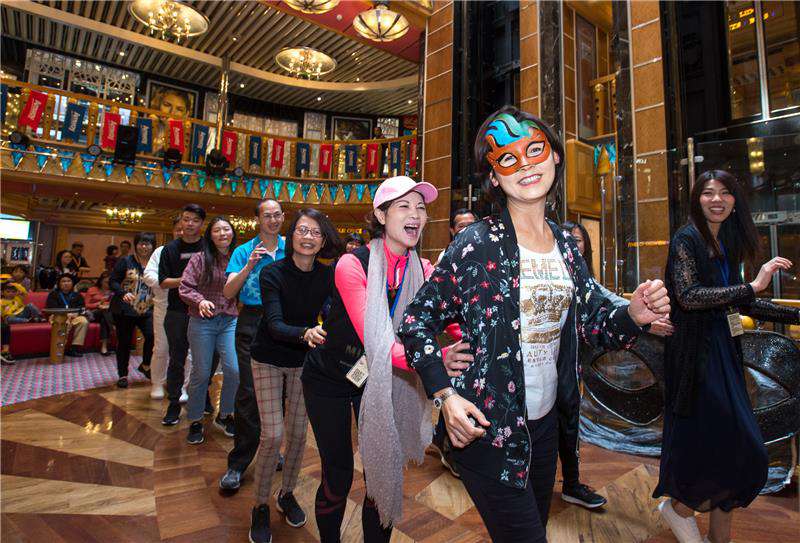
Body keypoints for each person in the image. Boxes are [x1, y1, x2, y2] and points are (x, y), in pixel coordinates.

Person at [398, 107, 671, 543]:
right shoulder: (476, 244)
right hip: (488, 429)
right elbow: (415, 320)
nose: (525, 165)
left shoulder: (566, 245)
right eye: (507, 158)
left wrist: (633, 314)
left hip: (545, 429)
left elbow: (591, 323)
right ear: (493, 177)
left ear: (555, 156)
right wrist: (444, 394)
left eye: (534, 150)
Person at [301, 175, 459, 543]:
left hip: (380, 379)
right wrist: (436, 359)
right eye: (404, 206)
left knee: (383, 472)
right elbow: (379, 343)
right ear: (381, 215)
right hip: (330, 378)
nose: (415, 214)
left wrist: (472, 341)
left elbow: (450, 317)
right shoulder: (351, 264)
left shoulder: (424, 270)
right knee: (338, 473)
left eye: (420, 207)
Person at [653, 170, 800, 543]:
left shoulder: (727, 243)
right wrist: (753, 284)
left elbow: (742, 301)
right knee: (726, 447)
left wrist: (795, 314)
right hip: (697, 359)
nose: (716, 199)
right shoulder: (687, 239)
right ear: (696, 199)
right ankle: (679, 509)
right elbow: (689, 296)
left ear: (735, 201)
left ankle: (720, 538)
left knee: (735, 451)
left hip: (725, 353)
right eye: (708, 192)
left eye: (725, 193)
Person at [247, 208, 340, 543]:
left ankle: (286, 494)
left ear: (323, 241)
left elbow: (334, 313)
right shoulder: (272, 272)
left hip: (304, 361)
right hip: (268, 358)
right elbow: (274, 324)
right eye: (302, 230)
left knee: (299, 435)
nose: (308, 237)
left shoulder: (327, 275)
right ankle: (259, 505)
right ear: (292, 235)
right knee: (272, 436)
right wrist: (306, 333)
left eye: (316, 232)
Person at [219, 199, 286, 491]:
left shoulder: (292, 248)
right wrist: (249, 266)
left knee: (279, 391)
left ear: (283, 217)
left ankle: (271, 449)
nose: (273, 220)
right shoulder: (243, 251)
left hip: (283, 323)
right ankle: (238, 463)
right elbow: (228, 292)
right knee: (248, 391)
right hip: (251, 321)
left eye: (277, 215)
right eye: (267, 216)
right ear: (258, 219)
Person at [179, 217, 239, 442]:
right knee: (202, 372)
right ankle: (195, 420)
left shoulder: (238, 257)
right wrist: (200, 300)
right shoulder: (200, 258)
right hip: (202, 321)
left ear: (233, 233)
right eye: (217, 230)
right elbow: (185, 287)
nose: (223, 233)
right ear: (210, 236)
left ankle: (225, 414)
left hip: (229, 320)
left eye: (226, 229)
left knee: (234, 370)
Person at [159, 204, 206, 425]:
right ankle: (173, 403)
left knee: (204, 360)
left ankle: (204, 398)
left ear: (202, 224)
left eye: (195, 220)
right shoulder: (170, 249)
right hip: (177, 311)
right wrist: (187, 280)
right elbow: (163, 281)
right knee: (177, 360)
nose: (189, 224)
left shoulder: (208, 247)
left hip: (204, 311)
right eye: (186, 219)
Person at [144, 219, 186, 400]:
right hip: (164, 306)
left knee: (187, 351)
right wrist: (174, 283)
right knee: (161, 348)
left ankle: (182, 386)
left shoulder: (197, 251)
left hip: (189, 307)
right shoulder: (162, 251)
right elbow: (148, 276)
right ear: (173, 231)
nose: (182, 233)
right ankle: (157, 383)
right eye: (178, 229)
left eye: (185, 229)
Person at [110, 232, 155, 388]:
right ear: (136, 245)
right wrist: (123, 293)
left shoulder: (156, 263)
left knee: (152, 336)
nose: (144, 247)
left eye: (148, 244)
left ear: (153, 246)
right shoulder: (126, 261)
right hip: (125, 309)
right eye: (141, 243)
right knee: (124, 343)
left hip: (147, 308)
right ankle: (122, 374)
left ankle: (146, 365)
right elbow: (113, 281)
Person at [45, 273, 89, 357]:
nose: (66, 283)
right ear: (59, 284)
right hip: (57, 316)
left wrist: (76, 314)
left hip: (74, 316)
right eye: (63, 281)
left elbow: (82, 309)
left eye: (68, 281)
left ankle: (74, 348)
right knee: (65, 322)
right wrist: (66, 314)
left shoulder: (77, 295)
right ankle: (60, 348)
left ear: (72, 283)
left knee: (83, 321)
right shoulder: (53, 294)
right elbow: (51, 308)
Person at [84, 272, 114, 356]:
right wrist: (97, 304)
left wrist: (108, 305)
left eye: (110, 282)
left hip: (107, 314)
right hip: (93, 313)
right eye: (106, 282)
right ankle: (113, 328)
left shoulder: (113, 291)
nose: (108, 284)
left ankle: (104, 347)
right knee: (104, 312)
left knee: (104, 319)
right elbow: (86, 305)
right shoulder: (92, 290)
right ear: (101, 281)